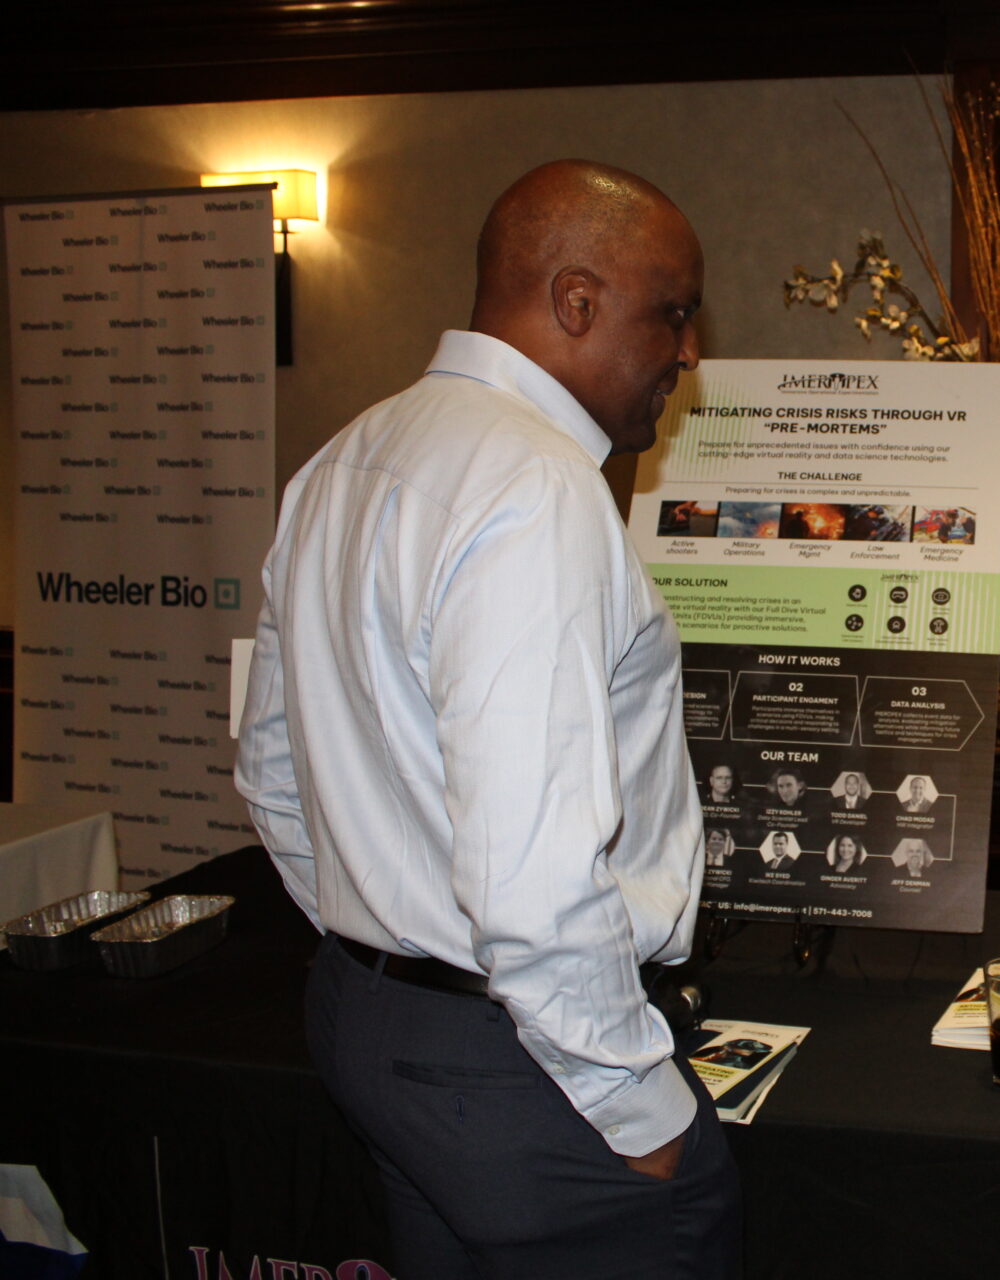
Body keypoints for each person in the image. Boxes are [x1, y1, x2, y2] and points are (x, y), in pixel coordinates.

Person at [236, 159, 740, 1279]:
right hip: (522, 1065)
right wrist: (636, 1103)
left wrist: (382, 929)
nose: (689, 351)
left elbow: (273, 773)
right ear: (577, 301)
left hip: (373, 1023)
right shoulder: (537, 486)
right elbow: (531, 871)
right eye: (674, 312)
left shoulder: (342, 458)